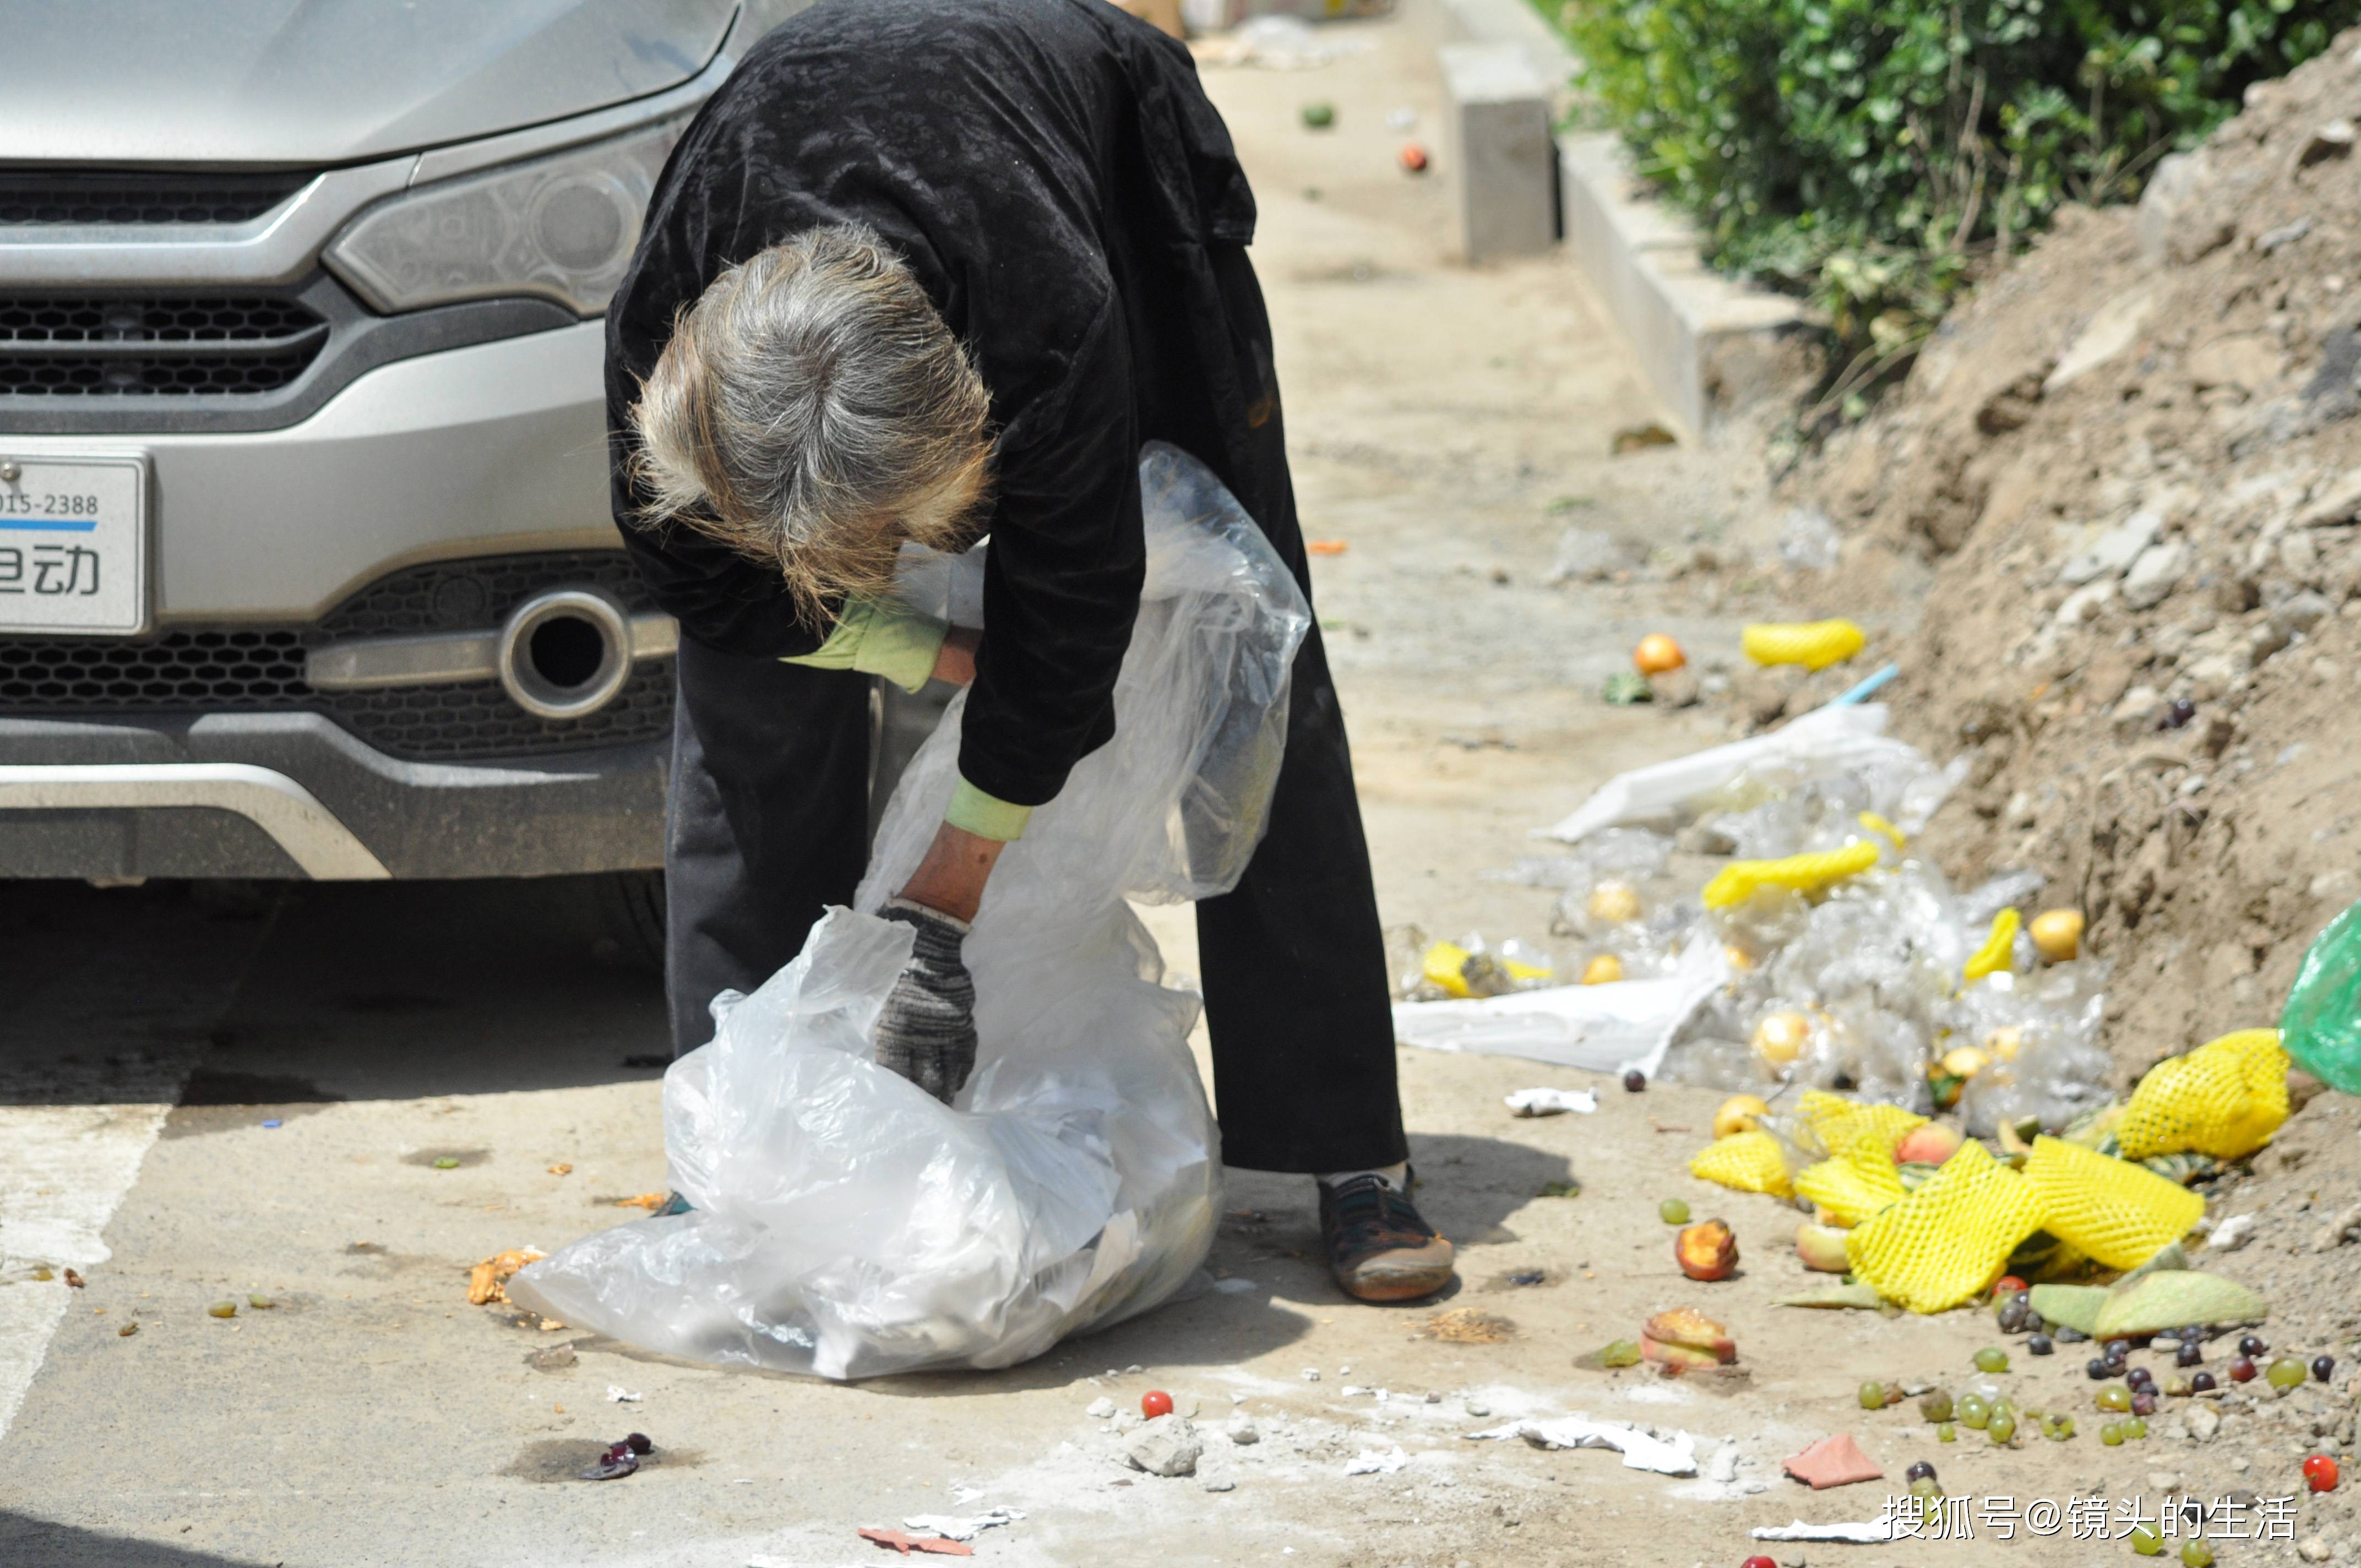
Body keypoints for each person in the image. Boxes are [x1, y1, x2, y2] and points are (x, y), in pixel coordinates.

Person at [607, 0, 1454, 1303]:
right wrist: (925, 651)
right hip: (805, 129)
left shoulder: (1043, 322)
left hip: (1102, 156)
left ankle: (1344, 1145)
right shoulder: (670, 326)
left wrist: (941, 909)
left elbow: (1074, 617)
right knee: (744, 719)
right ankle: (738, 1144)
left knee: (1244, 638)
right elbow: (703, 584)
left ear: (967, 444)